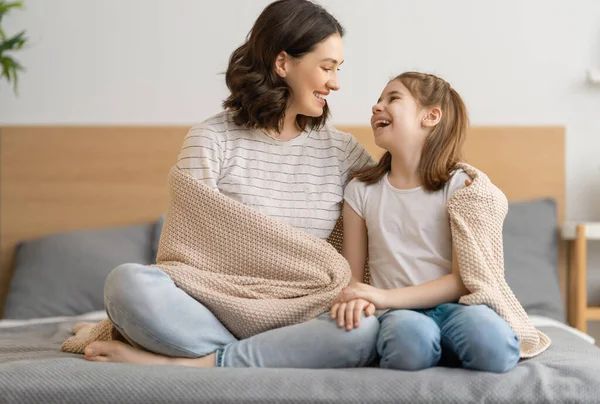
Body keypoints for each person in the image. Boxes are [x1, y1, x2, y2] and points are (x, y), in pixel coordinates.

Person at [75, 0, 380, 368]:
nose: (335, 82)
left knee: (362, 328)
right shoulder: (210, 139)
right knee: (127, 284)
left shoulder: (343, 151)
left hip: (305, 314)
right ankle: (261, 355)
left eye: (338, 69)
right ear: (283, 64)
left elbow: (398, 204)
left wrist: (455, 175)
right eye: (327, 68)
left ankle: (195, 362)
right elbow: (186, 255)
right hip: (214, 308)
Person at [330, 72, 521, 373]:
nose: (377, 106)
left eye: (392, 98)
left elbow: (463, 279)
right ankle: (436, 350)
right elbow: (353, 278)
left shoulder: (460, 187)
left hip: (455, 309)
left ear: (431, 116)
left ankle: (447, 346)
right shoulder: (360, 191)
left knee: (493, 345)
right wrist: (363, 300)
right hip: (396, 314)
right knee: (411, 343)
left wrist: (383, 295)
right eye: (378, 100)